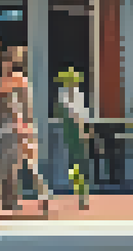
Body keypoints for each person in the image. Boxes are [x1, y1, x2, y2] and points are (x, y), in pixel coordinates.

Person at [0, 47, 49, 212]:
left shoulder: (16, 81)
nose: (7, 63)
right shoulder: (6, 82)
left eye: (9, 60)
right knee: (11, 166)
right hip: (9, 129)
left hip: (15, 129)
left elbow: (25, 107)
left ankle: (11, 200)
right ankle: (12, 200)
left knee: (12, 167)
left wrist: (27, 128)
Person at [54, 68, 92, 208]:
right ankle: (79, 192)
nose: (72, 84)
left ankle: (82, 194)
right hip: (70, 133)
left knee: (81, 165)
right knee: (73, 166)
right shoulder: (62, 95)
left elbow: (82, 115)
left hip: (77, 133)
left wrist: (86, 130)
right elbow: (66, 113)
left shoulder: (78, 95)